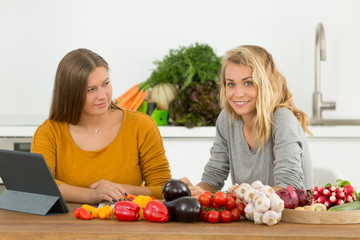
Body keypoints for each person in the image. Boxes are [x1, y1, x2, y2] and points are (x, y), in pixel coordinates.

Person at [31, 48, 172, 204]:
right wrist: (92, 195)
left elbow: (163, 189)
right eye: (90, 90)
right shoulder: (49, 132)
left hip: (127, 223)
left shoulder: (141, 126)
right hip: (66, 226)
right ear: (70, 94)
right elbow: (40, 186)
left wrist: (118, 189)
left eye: (105, 84)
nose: (102, 96)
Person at [181, 45, 313, 197]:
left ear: (265, 84)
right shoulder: (227, 119)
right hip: (251, 217)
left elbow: (287, 188)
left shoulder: (282, 120)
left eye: (248, 83)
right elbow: (214, 175)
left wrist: (227, 198)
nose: (238, 93)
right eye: (231, 84)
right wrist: (195, 193)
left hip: (289, 217)